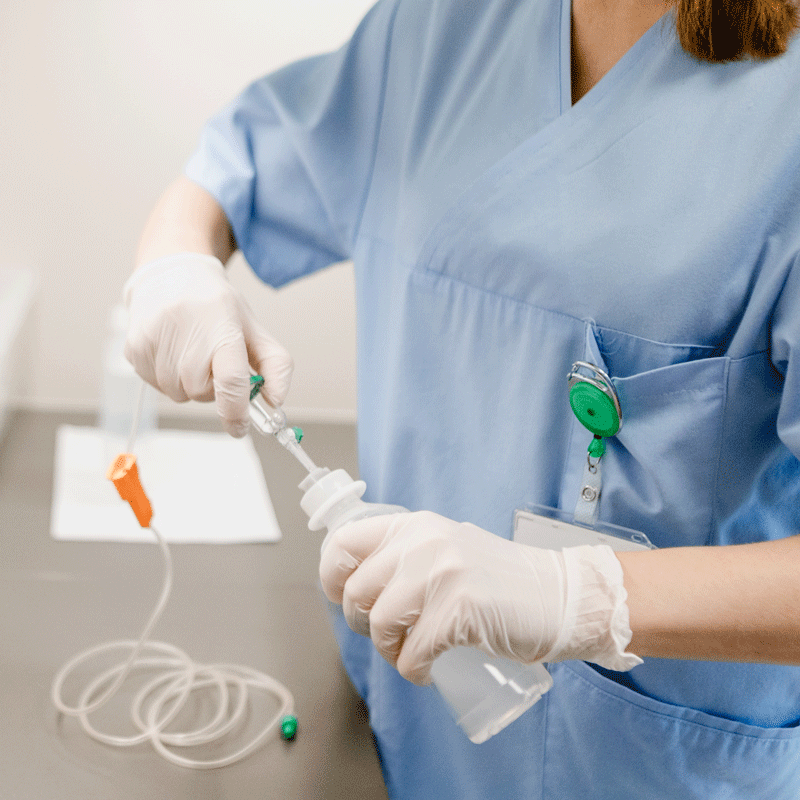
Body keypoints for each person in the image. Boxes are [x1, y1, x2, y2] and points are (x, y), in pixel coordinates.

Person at [123, 0, 800, 796]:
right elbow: (235, 166)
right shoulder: (442, 25)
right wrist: (174, 264)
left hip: (637, 764)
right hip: (403, 725)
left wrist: (585, 598)